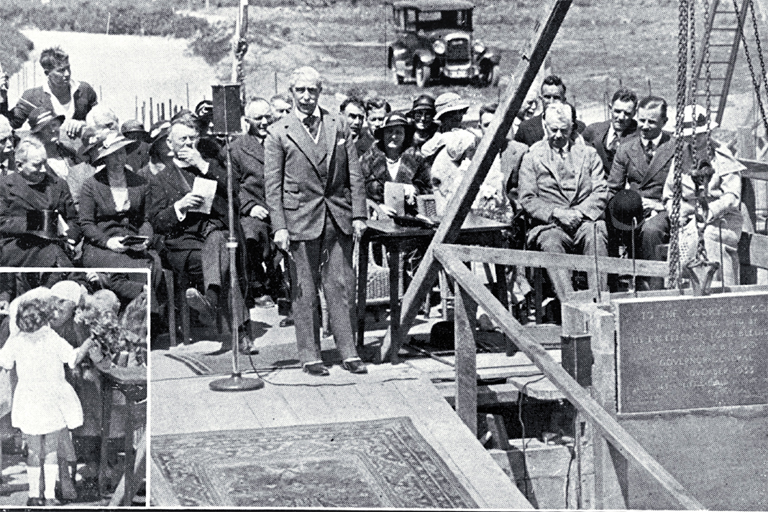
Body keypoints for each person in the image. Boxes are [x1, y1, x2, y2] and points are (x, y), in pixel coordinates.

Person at [264, 66, 368, 376]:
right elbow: (273, 186)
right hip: (300, 218)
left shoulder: (337, 126)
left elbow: (355, 175)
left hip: (337, 216)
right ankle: (311, 355)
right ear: (291, 93)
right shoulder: (278, 132)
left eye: (312, 91)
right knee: (304, 289)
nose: (307, 97)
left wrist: (359, 214)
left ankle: (348, 351)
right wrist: (279, 226)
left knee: (341, 285)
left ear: (320, 93)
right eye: (301, 91)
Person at [147, 114, 254, 352]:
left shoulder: (211, 168)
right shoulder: (160, 180)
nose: (187, 144)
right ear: (169, 144)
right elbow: (157, 222)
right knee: (224, 262)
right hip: (185, 245)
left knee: (219, 245)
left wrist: (203, 165)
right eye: (182, 139)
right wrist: (180, 207)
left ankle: (211, 301)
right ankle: (242, 332)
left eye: (192, 139)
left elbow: (234, 191)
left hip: (215, 236)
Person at [0, 287, 96, 506]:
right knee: (51, 450)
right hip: (52, 401)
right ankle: (51, 496)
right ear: (45, 319)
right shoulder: (52, 337)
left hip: (28, 401)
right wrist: (88, 342)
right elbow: (73, 358)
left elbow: (4, 361)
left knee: (33, 451)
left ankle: (34, 495)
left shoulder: (16, 340)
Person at [519, 103, 609, 300]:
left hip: (584, 221)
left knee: (596, 235)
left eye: (564, 130)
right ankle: (570, 305)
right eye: (553, 130)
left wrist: (579, 213)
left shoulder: (589, 154)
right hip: (550, 225)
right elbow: (527, 197)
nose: (558, 135)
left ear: (572, 127)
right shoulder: (532, 156)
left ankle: (599, 302)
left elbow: (601, 190)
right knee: (551, 242)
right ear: (545, 126)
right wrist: (556, 213)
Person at [662, 105, 744, 286]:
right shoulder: (680, 159)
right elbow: (669, 194)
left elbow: (732, 196)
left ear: (707, 133)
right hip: (689, 217)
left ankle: (718, 289)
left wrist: (710, 211)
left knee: (709, 237)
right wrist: (677, 211)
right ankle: (683, 289)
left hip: (722, 219)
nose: (693, 139)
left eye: (698, 134)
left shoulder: (722, 157)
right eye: (687, 136)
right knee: (685, 241)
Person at [79, 132, 156, 304]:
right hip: (101, 247)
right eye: (113, 155)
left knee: (152, 264)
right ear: (104, 158)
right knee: (131, 269)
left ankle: (148, 318)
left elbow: (146, 220)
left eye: (121, 153)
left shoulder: (140, 182)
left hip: (132, 244)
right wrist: (108, 242)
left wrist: (145, 240)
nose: (118, 159)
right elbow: (86, 223)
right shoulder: (91, 185)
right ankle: (146, 313)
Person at [608, 95, 674, 289]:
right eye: (642, 120)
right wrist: (624, 205)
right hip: (633, 211)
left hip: (664, 209)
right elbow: (613, 187)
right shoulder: (626, 149)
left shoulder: (676, 147)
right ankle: (614, 286)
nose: (644, 126)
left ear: (664, 122)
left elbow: (684, 189)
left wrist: (659, 205)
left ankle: (653, 290)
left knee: (650, 231)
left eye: (651, 122)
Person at [231, 98, 283, 309]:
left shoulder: (281, 141)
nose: (263, 122)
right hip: (254, 209)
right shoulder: (237, 148)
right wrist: (249, 206)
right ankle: (257, 286)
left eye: (267, 117)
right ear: (246, 121)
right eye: (258, 118)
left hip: (280, 206)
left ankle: (279, 283)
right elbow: (232, 185)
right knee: (251, 234)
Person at [0, 137, 81, 272]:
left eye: (45, 163)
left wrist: (70, 238)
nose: (43, 169)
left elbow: (73, 219)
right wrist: (37, 223)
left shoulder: (59, 184)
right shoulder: (4, 186)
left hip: (57, 244)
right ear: (19, 165)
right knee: (53, 255)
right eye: (37, 165)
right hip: (18, 246)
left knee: (54, 254)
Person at [4, 47, 97, 139]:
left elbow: (101, 122)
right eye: (61, 70)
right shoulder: (31, 97)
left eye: (68, 68)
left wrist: (84, 124)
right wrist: (1, 98)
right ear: (47, 73)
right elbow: (8, 125)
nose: (67, 74)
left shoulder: (84, 90)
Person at [361, 111, 431, 217]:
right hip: (376, 220)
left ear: (405, 135)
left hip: (411, 220)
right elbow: (356, 190)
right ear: (383, 134)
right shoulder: (368, 159)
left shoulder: (417, 158)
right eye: (389, 131)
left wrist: (415, 191)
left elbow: (430, 188)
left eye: (399, 132)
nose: (394, 136)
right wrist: (377, 207)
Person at [28, 107, 92, 211]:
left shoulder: (69, 151)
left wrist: (85, 130)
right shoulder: (35, 161)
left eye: (54, 125)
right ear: (37, 134)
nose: (52, 130)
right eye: (45, 128)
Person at [515, 75, 585, 146]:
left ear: (563, 100)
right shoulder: (525, 128)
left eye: (556, 97)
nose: (551, 101)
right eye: (547, 97)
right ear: (541, 99)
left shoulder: (579, 128)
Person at [583, 88, 639, 174]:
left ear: (634, 113)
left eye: (627, 113)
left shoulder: (641, 135)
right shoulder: (593, 131)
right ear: (610, 108)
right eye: (617, 111)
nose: (621, 117)